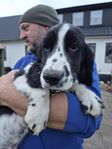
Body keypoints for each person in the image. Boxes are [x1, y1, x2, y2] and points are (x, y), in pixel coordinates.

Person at [0, 4, 102, 149]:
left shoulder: (82, 62)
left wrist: (4, 92)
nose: (21, 35)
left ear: (45, 27)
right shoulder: (21, 62)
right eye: (46, 49)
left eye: (26, 28)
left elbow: (91, 121)